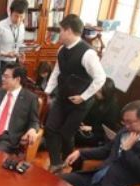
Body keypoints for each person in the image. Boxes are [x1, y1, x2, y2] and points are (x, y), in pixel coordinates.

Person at [44, 14, 107, 173]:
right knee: (50, 128)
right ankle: (56, 163)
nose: (59, 34)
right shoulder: (61, 49)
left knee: (66, 134)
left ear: (69, 31)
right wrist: (47, 91)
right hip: (62, 96)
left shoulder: (88, 53)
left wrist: (83, 96)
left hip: (80, 103)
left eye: (61, 30)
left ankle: (71, 166)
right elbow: (57, 71)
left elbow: (101, 78)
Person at [75, 78, 121, 148]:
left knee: (74, 136)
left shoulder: (113, 108)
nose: (96, 93)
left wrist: (91, 128)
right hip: (87, 127)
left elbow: (107, 128)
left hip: (98, 133)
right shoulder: (96, 99)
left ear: (107, 93)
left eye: (99, 92)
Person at [0, 0, 28, 80]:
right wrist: (6, 54)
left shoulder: (22, 26)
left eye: (21, 17)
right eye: (16, 16)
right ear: (10, 12)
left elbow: (19, 43)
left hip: (14, 63)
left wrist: (22, 53)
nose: (18, 20)